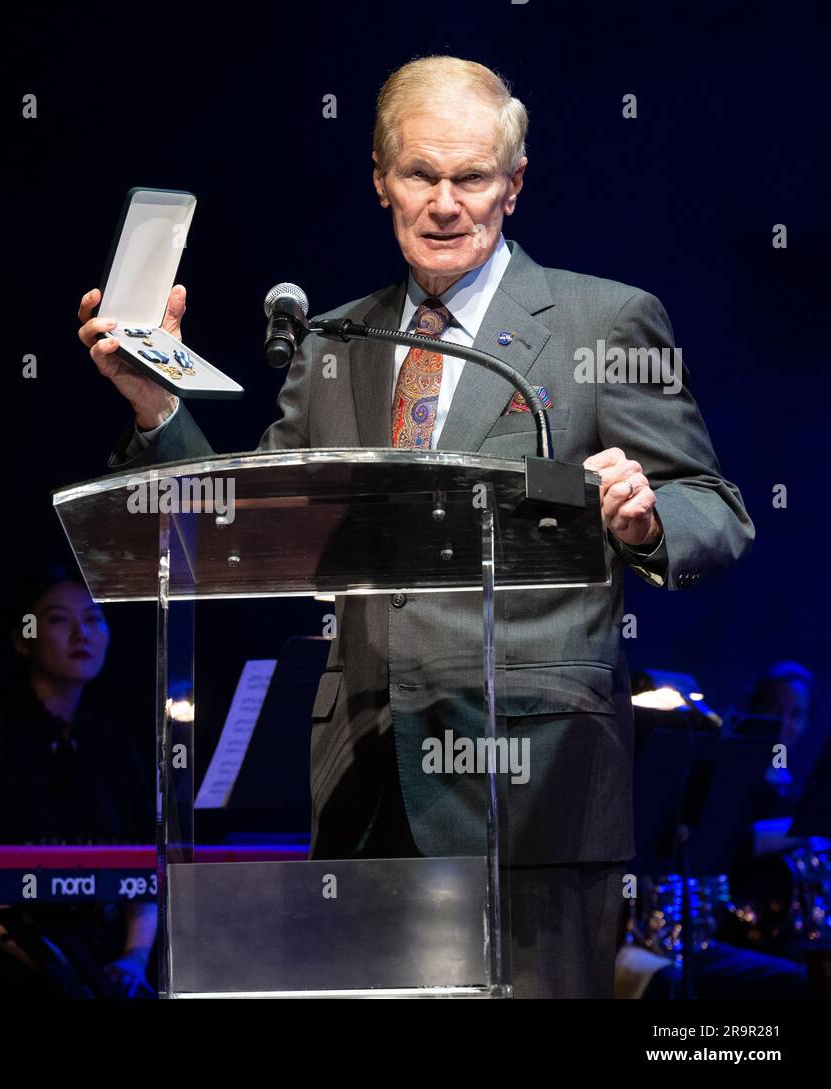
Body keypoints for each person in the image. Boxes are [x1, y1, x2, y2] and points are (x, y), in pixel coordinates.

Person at [75, 56, 753, 997]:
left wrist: (643, 519)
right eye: (420, 175)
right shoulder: (335, 340)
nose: (445, 202)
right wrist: (153, 401)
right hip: (362, 778)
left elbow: (716, 512)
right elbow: (246, 520)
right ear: (379, 178)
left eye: (472, 177)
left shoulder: (605, 320)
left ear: (514, 185)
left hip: (535, 788)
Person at [0, 567, 157, 998]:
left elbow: (146, 867)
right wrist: (58, 970)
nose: (80, 634)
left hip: (104, 957)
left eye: (93, 618)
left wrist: (135, 957)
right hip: (9, 958)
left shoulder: (117, 744)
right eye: (58, 619)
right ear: (21, 639)